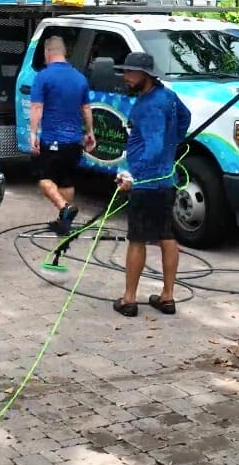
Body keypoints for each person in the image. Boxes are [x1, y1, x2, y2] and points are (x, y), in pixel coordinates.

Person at [112, 52, 191, 318]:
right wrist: (175, 142)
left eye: (130, 73)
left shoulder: (148, 107)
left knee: (137, 239)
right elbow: (185, 116)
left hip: (146, 183)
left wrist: (133, 176)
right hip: (166, 180)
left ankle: (129, 300)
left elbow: (154, 146)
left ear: (144, 75)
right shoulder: (167, 96)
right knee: (166, 236)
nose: (125, 77)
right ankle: (167, 297)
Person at [29, 35, 96, 234]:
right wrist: (90, 132)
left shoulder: (43, 76)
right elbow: (86, 108)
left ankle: (65, 208)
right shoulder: (79, 77)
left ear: (47, 52)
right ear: (64, 53)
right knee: (66, 181)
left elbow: (36, 107)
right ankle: (64, 223)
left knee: (44, 179)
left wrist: (33, 134)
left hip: (53, 139)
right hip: (74, 141)